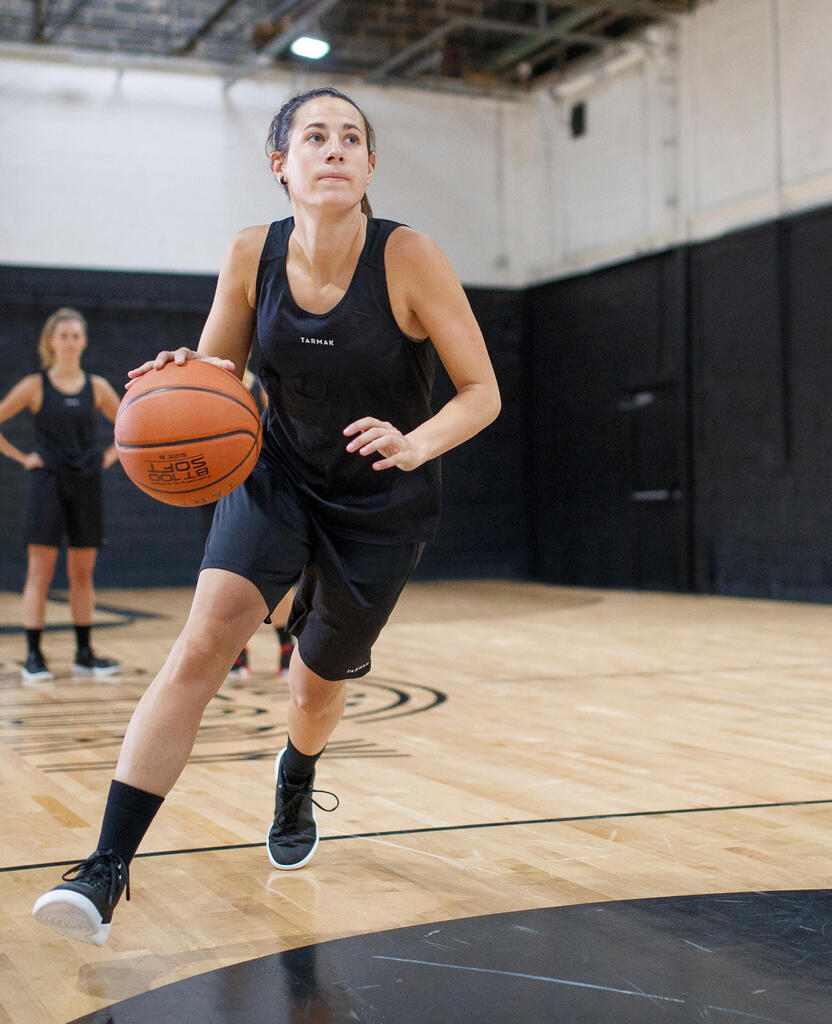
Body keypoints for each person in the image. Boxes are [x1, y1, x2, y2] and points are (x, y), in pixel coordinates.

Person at [32, 86, 500, 946]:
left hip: (381, 498)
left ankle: (297, 772)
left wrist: (415, 443)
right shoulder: (253, 252)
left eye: (351, 138)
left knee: (313, 689)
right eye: (315, 136)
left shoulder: (408, 257)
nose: (335, 149)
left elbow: (482, 392)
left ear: (369, 166)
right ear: (281, 163)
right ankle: (105, 866)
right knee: (200, 646)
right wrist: (187, 373)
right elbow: (221, 370)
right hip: (275, 476)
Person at [0, 308, 122, 682]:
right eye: (63, 335)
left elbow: (132, 427)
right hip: (47, 484)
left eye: (75, 335)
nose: (69, 341)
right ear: (51, 341)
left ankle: (84, 654)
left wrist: (108, 457)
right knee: (40, 571)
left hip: (86, 484)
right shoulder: (35, 385)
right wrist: (23, 457)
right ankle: (34, 655)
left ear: (84, 342)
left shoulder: (97, 387)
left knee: (82, 574)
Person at [196, 366, 296, 680]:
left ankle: (286, 644)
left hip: (254, 483)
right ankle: (237, 652)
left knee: (269, 568)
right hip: (214, 485)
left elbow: (281, 428)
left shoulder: (258, 383)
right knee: (223, 574)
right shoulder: (198, 383)